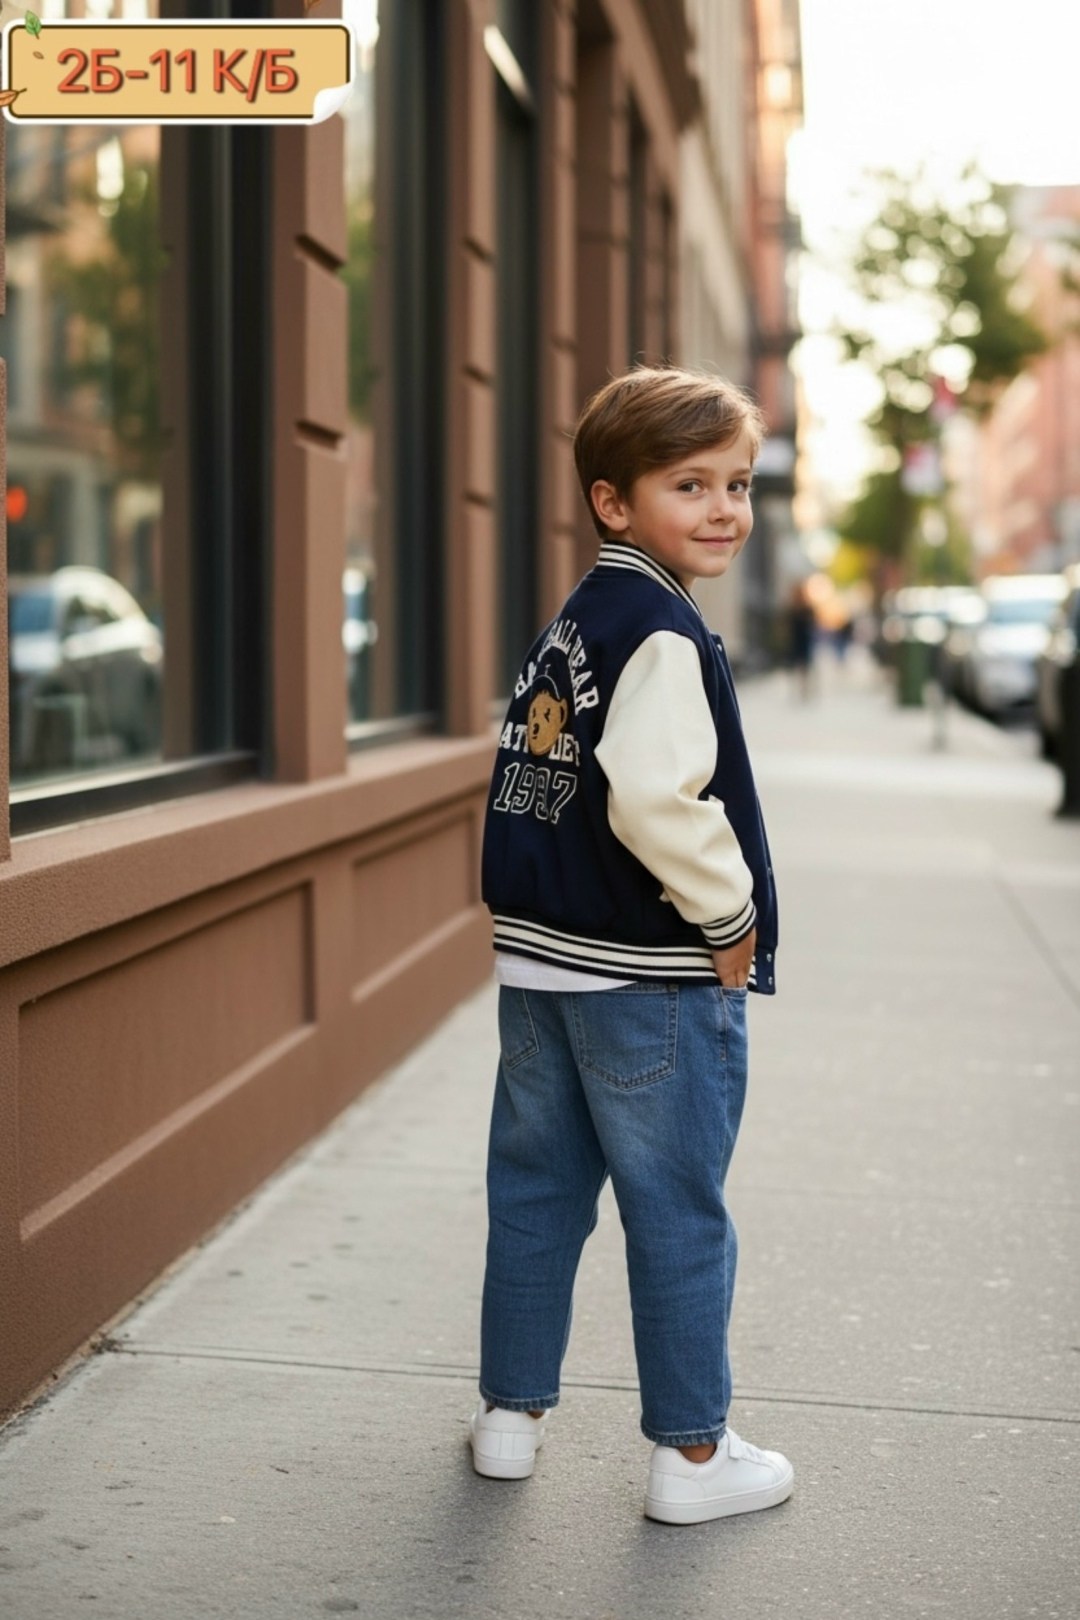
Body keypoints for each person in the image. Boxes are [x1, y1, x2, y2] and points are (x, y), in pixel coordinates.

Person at [470, 365, 793, 1526]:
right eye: (690, 483)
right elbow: (655, 801)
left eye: (741, 485)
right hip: (643, 977)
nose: (724, 509)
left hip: (542, 966)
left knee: (537, 1188)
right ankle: (694, 1460)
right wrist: (730, 917)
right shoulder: (661, 629)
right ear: (615, 501)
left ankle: (510, 1419)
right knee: (677, 1205)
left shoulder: (579, 619)